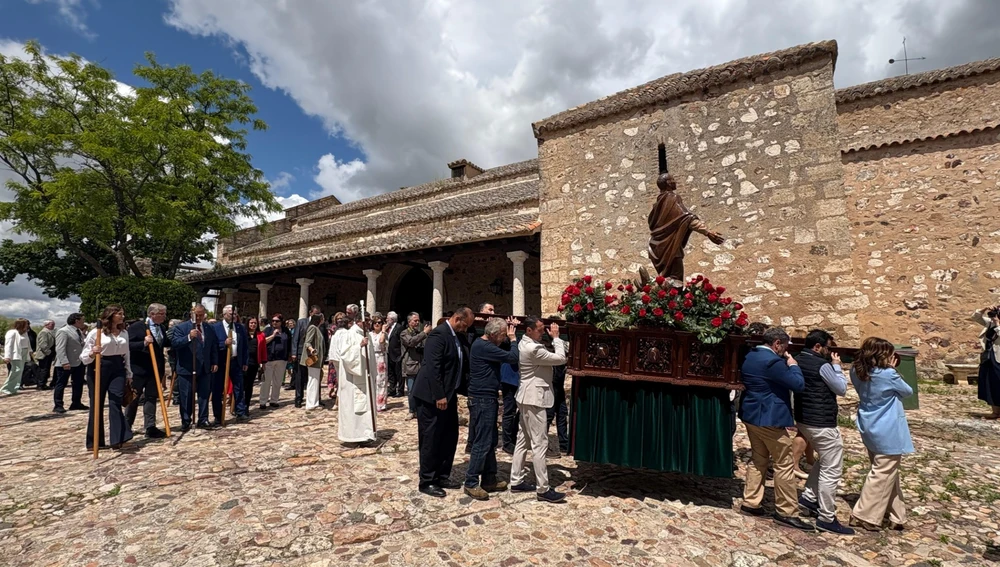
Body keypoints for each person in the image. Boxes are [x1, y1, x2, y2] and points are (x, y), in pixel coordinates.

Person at [738, 327, 811, 531]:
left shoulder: (751, 355)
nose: (786, 351)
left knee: (759, 459)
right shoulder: (772, 361)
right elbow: (797, 384)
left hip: (751, 414)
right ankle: (786, 511)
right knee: (784, 463)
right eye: (785, 346)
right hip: (769, 417)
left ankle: (751, 501)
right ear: (777, 343)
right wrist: (793, 365)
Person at [849, 337, 915, 532]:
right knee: (882, 473)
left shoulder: (856, 371)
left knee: (888, 473)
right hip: (888, 429)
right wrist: (894, 371)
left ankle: (897, 516)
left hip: (869, 425)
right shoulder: (888, 375)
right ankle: (864, 515)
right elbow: (908, 391)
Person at [793, 330, 854, 535]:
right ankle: (826, 516)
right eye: (828, 347)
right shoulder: (823, 365)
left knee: (825, 460)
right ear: (818, 347)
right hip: (821, 422)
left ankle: (809, 498)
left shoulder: (798, 359)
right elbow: (841, 388)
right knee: (832, 469)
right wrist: (837, 367)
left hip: (804, 418)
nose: (830, 352)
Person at [411, 307, 473, 497]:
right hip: (432, 396)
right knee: (431, 437)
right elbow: (433, 368)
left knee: (449, 435)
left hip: (449, 394)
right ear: (457, 318)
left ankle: (442, 474)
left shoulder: (457, 336)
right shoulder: (439, 335)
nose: (466, 329)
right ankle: (427, 480)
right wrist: (439, 395)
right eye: (466, 325)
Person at [510, 316, 568, 503]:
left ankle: (516, 480)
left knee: (522, 439)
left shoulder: (523, 343)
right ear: (529, 330)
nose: (544, 332)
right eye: (540, 329)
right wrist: (557, 338)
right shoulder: (533, 348)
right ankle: (543, 488)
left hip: (526, 395)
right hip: (535, 397)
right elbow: (560, 358)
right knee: (539, 444)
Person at [464, 317, 519, 500]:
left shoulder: (485, 345)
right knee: (482, 441)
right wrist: (513, 339)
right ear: (494, 334)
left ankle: (489, 478)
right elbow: (512, 357)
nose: (504, 338)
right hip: (482, 399)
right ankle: (471, 482)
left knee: (491, 439)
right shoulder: (484, 347)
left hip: (488, 398)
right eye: (503, 335)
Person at [647, 172, 725, 282]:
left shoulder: (657, 205)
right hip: (671, 246)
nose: (675, 181)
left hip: (657, 247)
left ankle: (661, 294)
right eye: (673, 179)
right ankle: (669, 296)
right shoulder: (672, 198)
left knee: (667, 279)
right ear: (668, 183)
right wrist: (707, 232)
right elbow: (686, 218)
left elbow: (652, 224)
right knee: (675, 279)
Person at [82, 305, 134, 450]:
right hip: (99, 366)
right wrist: (93, 353)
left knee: (116, 400)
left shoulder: (124, 332)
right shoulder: (96, 332)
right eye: (119, 314)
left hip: (118, 367)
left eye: (123, 313)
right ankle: (94, 441)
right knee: (97, 403)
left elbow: (127, 354)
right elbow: (84, 356)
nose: (122, 316)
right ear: (110, 315)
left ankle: (118, 438)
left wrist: (129, 373)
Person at [169, 304, 220, 431]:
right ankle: (186, 420)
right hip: (187, 367)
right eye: (197, 315)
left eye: (201, 315)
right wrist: (188, 337)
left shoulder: (208, 328)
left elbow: (213, 346)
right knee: (186, 396)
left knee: (204, 395)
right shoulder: (181, 328)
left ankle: (203, 419)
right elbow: (175, 343)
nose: (199, 317)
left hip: (205, 367)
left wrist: (214, 362)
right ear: (192, 313)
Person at [125, 303, 169, 439]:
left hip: (155, 370)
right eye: (161, 314)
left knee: (151, 398)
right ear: (152, 314)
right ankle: (126, 427)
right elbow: (127, 345)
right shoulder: (137, 327)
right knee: (133, 398)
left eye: (164, 313)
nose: (164, 316)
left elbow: (164, 343)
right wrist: (143, 343)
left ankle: (150, 426)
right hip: (139, 369)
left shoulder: (161, 327)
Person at [335, 310, 377, 444]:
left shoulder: (366, 335)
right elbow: (345, 355)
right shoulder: (349, 334)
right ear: (360, 321)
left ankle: (367, 433)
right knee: (354, 406)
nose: (370, 323)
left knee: (366, 406)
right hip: (353, 380)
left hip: (365, 377)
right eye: (368, 321)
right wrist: (359, 346)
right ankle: (353, 435)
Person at [213, 305, 250, 422]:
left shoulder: (240, 327)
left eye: (234, 314)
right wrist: (223, 343)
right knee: (218, 389)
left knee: (239, 388)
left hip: (236, 362)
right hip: (221, 362)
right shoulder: (215, 327)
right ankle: (218, 415)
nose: (233, 316)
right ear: (224, 315)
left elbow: (244, 346)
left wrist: (245, 361)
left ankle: (240, 411)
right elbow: (212, 345)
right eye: (230, 314)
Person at [53, 313, 88, 413]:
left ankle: (76, 402)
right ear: (77, 321)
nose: (83, 322)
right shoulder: (63, 331)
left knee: (78, 383)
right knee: (61, 384)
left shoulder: (79, 331)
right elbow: (60, 348)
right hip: (66, 363)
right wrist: (64, 361)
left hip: (78, 362)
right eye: (82, 320)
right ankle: (58, 404)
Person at [401, 312, 431, 419]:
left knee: (421, 389)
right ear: (409, 322)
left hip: (421, 365)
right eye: (415, 320)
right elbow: (411, 342)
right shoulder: (404, 333)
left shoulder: (420, 333)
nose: (417, 322)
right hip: (410, 366)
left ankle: (420, 409)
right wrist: (424, 333)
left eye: (418, 320)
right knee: (411, 390)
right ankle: (412, 410)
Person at [973, 305, 1000, 418]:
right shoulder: (990, 323)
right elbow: (976, 317)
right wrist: (984, 308)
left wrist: (998, 324)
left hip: (998, 357)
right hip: (989, 356)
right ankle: (996, 412)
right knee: (990, 382)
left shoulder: (996, 324)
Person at [293, 305, 322, 407]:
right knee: (300, 377)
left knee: (315, 377)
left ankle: (316, 398)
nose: (317, 316)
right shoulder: (302, 322)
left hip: (316, 357)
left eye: (319, 314)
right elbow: (296, 338)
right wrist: (294, 352)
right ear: (310, 313)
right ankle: (299, 398)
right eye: (315, 313)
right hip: (302, 353)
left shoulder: (320, 325)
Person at [260, 313, 289, 410]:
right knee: (266, 381)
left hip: (281, 359)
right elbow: (262, 341)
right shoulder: (268, 330)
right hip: (269, 359)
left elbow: (289, 342)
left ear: (281, 322)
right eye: (273, 321)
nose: (274, 323)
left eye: (277, 321)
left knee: (277, 381)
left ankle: (274, 400)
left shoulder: (286, 331)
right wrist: (273, 335)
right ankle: (263, 401)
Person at [301, 311, 325, 410]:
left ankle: (314, 403)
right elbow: (307, 342)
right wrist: (311, 349)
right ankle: (311, 404)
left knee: (315, 380)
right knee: (312, 380)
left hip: (317, 360)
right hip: (313, 359)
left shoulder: (317, 329)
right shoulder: (312, 328)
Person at [2, 319, 31, 395]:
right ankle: (6, 388)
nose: (27, 326)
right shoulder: (12, 333)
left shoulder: (25, 333)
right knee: (17, 370)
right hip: (16, 353)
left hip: (24, 353)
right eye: (25, 324)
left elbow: (27, 343)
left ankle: (14, 388)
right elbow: (8, 345)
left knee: (20, 371)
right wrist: (7, 356)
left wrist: (30, 351)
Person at [369, 316, 389, 411]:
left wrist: (383, 330)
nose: (377, 324)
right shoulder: (369, 334)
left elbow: (381, 342)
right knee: (372, 380)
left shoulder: (384, 334)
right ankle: (371, 402)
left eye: (379, 322)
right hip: (371, 357)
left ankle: (381, 404)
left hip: (380, 357)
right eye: (375, 322)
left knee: (381, 382)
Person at [326, 312, 346, 404]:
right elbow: (333, 345)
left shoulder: (345, 332)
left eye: (341, 319)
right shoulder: (335, 332)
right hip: (337, 359)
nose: (340, 320)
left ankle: (339, 401)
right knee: (339, 379)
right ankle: (337, 401)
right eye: (338, 319)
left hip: (341, 358)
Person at [245, 317, 262, 411]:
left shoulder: (259, 335)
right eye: (251, 323)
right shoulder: (243, 334)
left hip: (254, 363)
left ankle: (246, 406)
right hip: (244, 363)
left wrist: (262, 362)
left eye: (255, 323)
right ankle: (238, 406)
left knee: (249, 385)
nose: (253, 325)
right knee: (242, 386)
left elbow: (262, 348)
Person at [34, 320, 56, 390]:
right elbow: (43, 344)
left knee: (46, 369)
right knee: (43, 369)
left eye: (53, 324)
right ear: (46, 325)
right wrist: (49, 352)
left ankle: (43, 383)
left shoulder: (49, 332)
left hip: (47, 354)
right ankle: (41, 384)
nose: (53, 326)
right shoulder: (44, 332)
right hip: (44, 354)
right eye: (51, 324)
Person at [386, 311, 404, 397]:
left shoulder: (399, 327)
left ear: (392, 319)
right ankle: (392, 390)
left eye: (388, 318)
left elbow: (401, 341)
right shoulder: (387, 328)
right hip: (389, 354)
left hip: (397, 355)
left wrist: (401, 355)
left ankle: (400, 391)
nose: (386, 320)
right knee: (391, 373)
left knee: (399, 373)